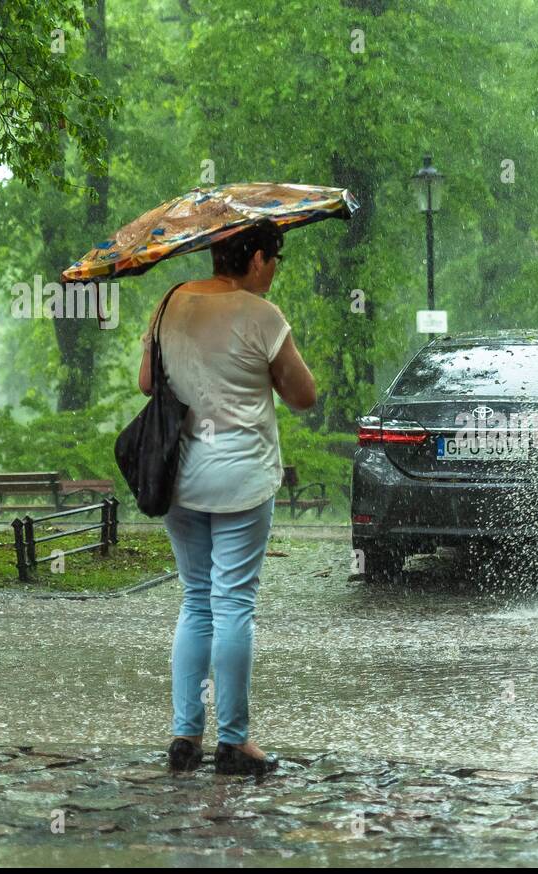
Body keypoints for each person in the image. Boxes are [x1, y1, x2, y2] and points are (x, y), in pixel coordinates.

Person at [137, 217, 316, 775]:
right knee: (233, 602)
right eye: (275, 260)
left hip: (181, 475)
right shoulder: (262, 316)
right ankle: (233, 741)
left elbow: (147, 382)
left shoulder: (170, 304)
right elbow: (304, 395)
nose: (275, 271)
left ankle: (185, 734)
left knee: (196, 600)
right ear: (257, 258)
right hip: (240, 479)